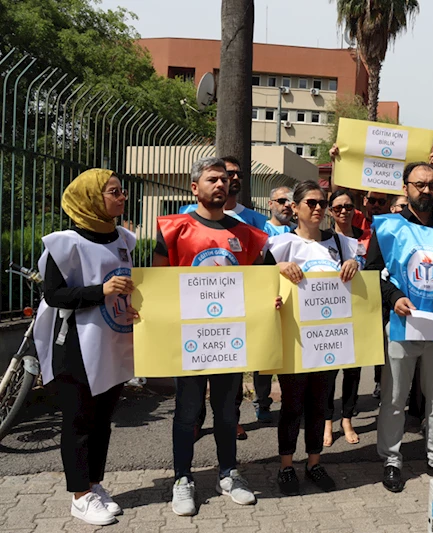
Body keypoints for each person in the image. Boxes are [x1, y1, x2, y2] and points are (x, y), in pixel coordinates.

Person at [154, 157, 278, 516]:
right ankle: (182, 479)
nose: (221, 185)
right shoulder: (173, 229)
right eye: (212, 179)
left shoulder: (246, 235)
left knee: (226, 411)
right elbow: (158, 284)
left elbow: (260, 282)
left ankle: (229, 473)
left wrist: (270, 297)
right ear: (195, 188)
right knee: (187, 410)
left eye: (225, 180)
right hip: (190, 338)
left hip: (230, 339)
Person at [33, 169, 137, 526]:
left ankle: (95, 484)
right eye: (114, 192)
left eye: (122, 191)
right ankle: (79, 496)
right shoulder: (65, 244)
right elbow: (54, 295)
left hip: (113, 341)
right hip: (75, 344)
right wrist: (100, 292)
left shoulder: (124, 238)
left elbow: (128, 284)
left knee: (103, 420)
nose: (122, 197)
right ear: (92, 198)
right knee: (79, 421)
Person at [366, 161, 433, 493]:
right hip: (401, 325)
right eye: (419, 184)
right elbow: (373, 271)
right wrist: (393, 297)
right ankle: (392, 459)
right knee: (394, 397)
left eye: (431, 185)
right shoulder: (387, 227)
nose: (426, 190)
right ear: (405, 187)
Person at [266, 180, 362, 496]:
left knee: (320, 405)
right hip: (295, 340)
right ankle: (285, 467)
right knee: (292, 406)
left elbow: (361, 280)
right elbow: (261, 286)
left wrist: (353, 264)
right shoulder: (279, 245)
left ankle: (314, 463)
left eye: (322, 202)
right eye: (311, 202)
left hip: (328, 340)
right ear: (294, 208)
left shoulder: (342, 243)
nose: (318, 208)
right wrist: (278, 270)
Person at [181, 157, 275, 437]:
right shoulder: (185, 216)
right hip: (195, 308)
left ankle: (231, 419)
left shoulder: (255, 222)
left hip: (235, 310)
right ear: (197, 187)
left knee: (231, 372)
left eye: (234, 174)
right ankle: (195, 421)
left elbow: (261, 266)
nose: (228, 180)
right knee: (195, 371)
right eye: (222, 175)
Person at [324, 189, 367, 446]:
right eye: (338, 207)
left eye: (348, 207)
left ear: (355, 210)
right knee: (329, 371)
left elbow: (376, 269)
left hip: (359, 312)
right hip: (330, 315)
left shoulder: (367, 239)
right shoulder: (324, 240)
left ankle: (347, 419)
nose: (343, 211)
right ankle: (327, 420)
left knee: (353, 371)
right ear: (330, 211)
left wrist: (358, 265)